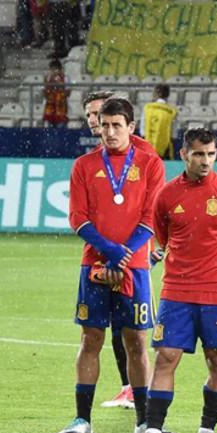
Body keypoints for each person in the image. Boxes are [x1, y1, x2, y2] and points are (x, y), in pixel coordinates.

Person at [124, 128, 217, 433]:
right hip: (177, 291)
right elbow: (163, 237)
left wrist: (216, 268)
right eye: (198, 154)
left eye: (210, 154)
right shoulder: (167, 195)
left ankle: (207, 430)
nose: (205, 161)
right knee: (166, 357)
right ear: (184, 155)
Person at [60, 98, 166, 433]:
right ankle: (82, 420)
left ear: (131, 128)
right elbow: (78, 218)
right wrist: (109, 251)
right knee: (90, 338)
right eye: (104, 125)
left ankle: (144, 420)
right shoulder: (84, 165)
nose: (109, 132)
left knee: (136, 341)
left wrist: (124, 254)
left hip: (133, 267)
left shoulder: (150, 163)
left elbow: (152, 217)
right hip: (95, 264)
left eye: (116, 125)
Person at [80, 90, 158, 408]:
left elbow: (153, 207)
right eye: (91, 117)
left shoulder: (143, 155)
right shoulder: (91, 161)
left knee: (134, 335)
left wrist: (147, 249)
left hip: (135, 257)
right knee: (106, 332)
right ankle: (128, 388)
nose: (96, 123)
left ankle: (146, 405)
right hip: (103, 258)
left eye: (98, 115)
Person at [141, 84, 178, 158]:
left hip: (147, 146)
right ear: (168, 95)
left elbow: (142, 130)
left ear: (156, 93)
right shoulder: (172, 111)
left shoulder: (147, 108)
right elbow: (174, 134)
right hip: (164, 149)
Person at [43, 60, 69, 128]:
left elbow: (68, 92)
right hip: (50, 108)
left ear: (60, 69)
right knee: (49, 131)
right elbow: (45, 93)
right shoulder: (47, 78)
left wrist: (59, 92)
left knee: (60, 130)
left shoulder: (65, 78)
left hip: (60, 108)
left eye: (55, 69)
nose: (53, 71)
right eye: (52, 69)